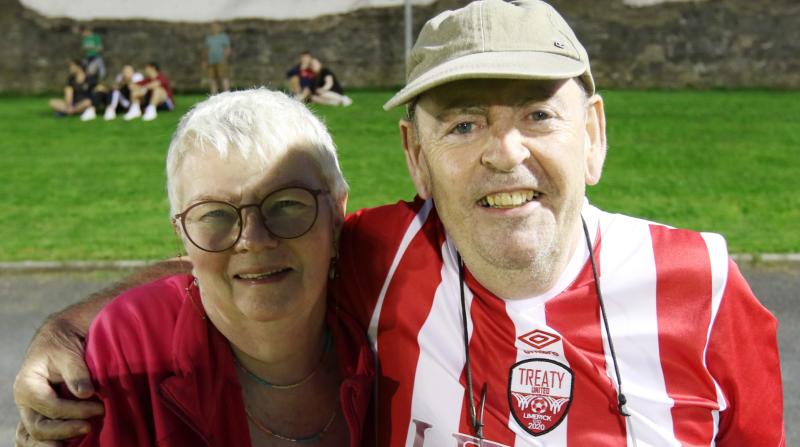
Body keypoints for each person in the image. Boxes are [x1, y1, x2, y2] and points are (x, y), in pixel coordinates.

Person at [15, 1, 784, 446]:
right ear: (415, 156)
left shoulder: (707, 287)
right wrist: (65, 328)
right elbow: (248, 256)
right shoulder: (390, 257)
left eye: (538, 114)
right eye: (463, 125)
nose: (504, 152)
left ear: (595, 134)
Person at [46, 88, 375, 446]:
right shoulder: (128, 348)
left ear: (337, 214)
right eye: (215, 213)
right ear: (182, 233)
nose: (253, 239)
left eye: (285, 204)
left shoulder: (391, 314)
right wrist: (62, 330)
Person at [79, 65, 145, 121]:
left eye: (127, 72)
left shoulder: (137, 77)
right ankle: (91, 110)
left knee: (115, 92)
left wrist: (127, 82)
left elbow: (137, 89)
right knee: (101, 91)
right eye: (124, 72)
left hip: (132, 101)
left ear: (132, 72)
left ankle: (111, 109)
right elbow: (114, 88)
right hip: (120, 101)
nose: (125, 74)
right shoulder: (120, 78)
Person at [203, 22, 232, 94]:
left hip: (221, 61)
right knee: (212, 78)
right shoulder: (209, 38)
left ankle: (226, 93)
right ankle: (214, 93)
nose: (214, 28)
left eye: (216, 27)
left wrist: (224, 58)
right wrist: (205, 61)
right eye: (212, 27)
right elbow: (206, 50)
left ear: (219, 28)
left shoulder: (223, 37)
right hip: (211, 61)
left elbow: (227, 49)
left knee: (224, 77)